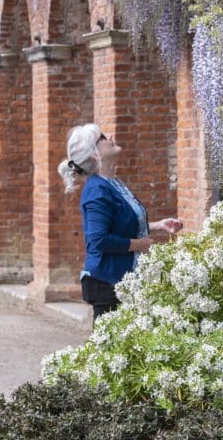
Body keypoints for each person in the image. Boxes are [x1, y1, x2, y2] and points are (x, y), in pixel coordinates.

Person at [58, 123, 182, 321]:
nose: (111, 137)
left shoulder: (112, 183)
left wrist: (158, 225)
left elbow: (117, 226)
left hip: (123, 280)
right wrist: (139, 245)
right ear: (93, 154)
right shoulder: (97, 190)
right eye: (103, 138)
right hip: (107, 283)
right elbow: (98, 239)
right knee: (108, 348)